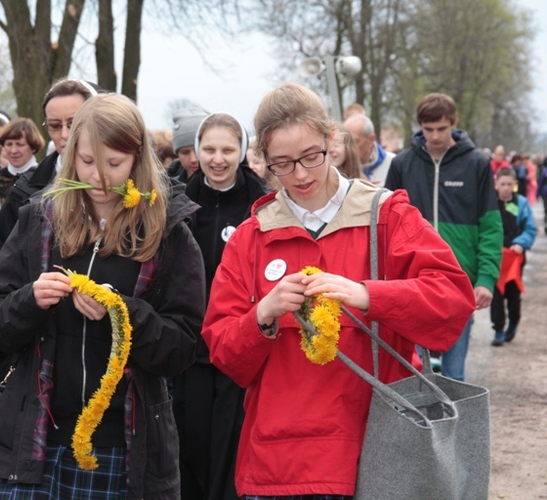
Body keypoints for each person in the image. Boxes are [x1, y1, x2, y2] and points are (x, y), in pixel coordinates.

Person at [201, 82, 475, 498]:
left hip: (378, 448)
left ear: (333, 141)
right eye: (282, 163)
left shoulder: (386, 216)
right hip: (280, 462)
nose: (300, 174)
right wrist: (263, 316)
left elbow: (453, 301)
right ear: (263, 161)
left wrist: (369, 295)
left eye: (312, 156)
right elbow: (223, 351)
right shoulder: (250, 238)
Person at [0, 93, 205, 499]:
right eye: (87, 163)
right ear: (70, 157)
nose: (99, 178)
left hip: (120, 446)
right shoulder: (39, 218)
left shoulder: (168, 232)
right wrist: (30, 300)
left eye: (113, 165)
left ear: (137, 159)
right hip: (31, 437)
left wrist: (123, 312)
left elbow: (183, 347)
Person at [174, 113, 268, 500]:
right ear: (197, 150)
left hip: (239, 344)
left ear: (242, 151)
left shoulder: (262, 204)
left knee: (231, 444)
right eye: (209, 149)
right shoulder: (178, 202)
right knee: (191, 440)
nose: (217, 158)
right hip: (190, 346)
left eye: (227, 150)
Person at [386, 92, 502, 381]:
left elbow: (490, 225)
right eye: (428, 130)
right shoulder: (402, 164)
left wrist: (487, 278)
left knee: (453, 375)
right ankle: (419, 427)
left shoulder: (477, 164)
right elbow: (386, 224)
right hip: (412, 282)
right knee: (412, 372)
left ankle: (454, 426)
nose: (435, 136)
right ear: (420, 127)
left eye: (441, 128)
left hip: (459, 283)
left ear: (454, 123)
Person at [0, 79, 102, 275]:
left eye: (73, 123)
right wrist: (27, 298)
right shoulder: (27, 188)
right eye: (55, 126)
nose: (65, 134)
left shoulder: (124, 182)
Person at [490, 167, 536, 346]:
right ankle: (498, 330)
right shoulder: (490, 203)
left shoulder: (522, 204)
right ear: (496, 184)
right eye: (502, 184)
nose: (506, 188)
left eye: (510, 184)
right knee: (496, 294)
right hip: (495, 258)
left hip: (515, 259)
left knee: (513, 294)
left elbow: (530, 229)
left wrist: (521, 242)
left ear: (515, 185)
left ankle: (513, 323)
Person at [0, 117, 45, 205]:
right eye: (9, 144)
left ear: (33, 147)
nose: (13, 150)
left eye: (20, 145)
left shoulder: (45, 179)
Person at [344, 113, 395, 185]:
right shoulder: (338, 169)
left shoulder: (393, 163)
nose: (348, 147)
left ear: (371, 139)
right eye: (345, 141)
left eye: (354, 142)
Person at [166, 108, 208, 183]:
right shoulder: (168, 189)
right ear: (177, 154)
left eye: (197, 150)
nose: (193, 159)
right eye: (185, 152)